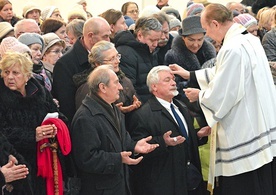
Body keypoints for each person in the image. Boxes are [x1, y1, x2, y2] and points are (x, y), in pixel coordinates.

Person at [170, 3, 276, 195]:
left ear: (215, 24)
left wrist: (200, 95)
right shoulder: (248, 39)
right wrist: (190, 75)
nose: (208, 36)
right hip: (260, 122)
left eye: (207, 30)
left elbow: (225, 92)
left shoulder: (232, 48)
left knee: (245, 185)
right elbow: (226, 73)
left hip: (244, 130)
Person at [70, 65, 159, 195]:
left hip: (119, 185)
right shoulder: (86, 118)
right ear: (103, 87)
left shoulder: (113, 109)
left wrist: (134, 146)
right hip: (101, 189)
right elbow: (86, 159)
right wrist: (118, 159)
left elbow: (121, 140)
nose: (121, 87)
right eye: (116, 83)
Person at [128, 65, 208, 195]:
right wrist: (162, 142)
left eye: (173, 79)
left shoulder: (181, 106)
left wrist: (197, 135)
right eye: (167, 80)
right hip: (164, 183)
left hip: (188, 179)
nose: (173, 83)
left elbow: (183, 140)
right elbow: (137, 147)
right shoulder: (143, 115)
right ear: (154, 86)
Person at [0, 52, 66, 194]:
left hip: (44, 158)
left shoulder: (39, 91)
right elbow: (3, 132)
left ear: (27, 76)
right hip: (18, 162)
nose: (10, 77)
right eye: (6, 72)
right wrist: (32, 135)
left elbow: (55, 113)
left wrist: (54, 126)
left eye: (15, 73)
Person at [52, 17, 111, 123]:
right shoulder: (65, 64)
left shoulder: (108, 56)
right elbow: (67, 107)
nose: (108, 41)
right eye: (105, 37)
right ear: (90, 36)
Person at [74, 40, 141, 113]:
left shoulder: (125, 80)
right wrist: (115, 112)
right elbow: (88, 115)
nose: (117, 61)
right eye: (112, 59)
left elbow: (135, 98)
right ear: (98, 64)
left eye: (117, 56)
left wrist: (135, 105)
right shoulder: (88, 88)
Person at [114, 16, 162, 103]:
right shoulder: (126, 53)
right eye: (152, 40)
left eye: (157, 40)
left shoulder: (150, 50)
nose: (155, 44)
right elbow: (129, 89)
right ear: (139, 35)